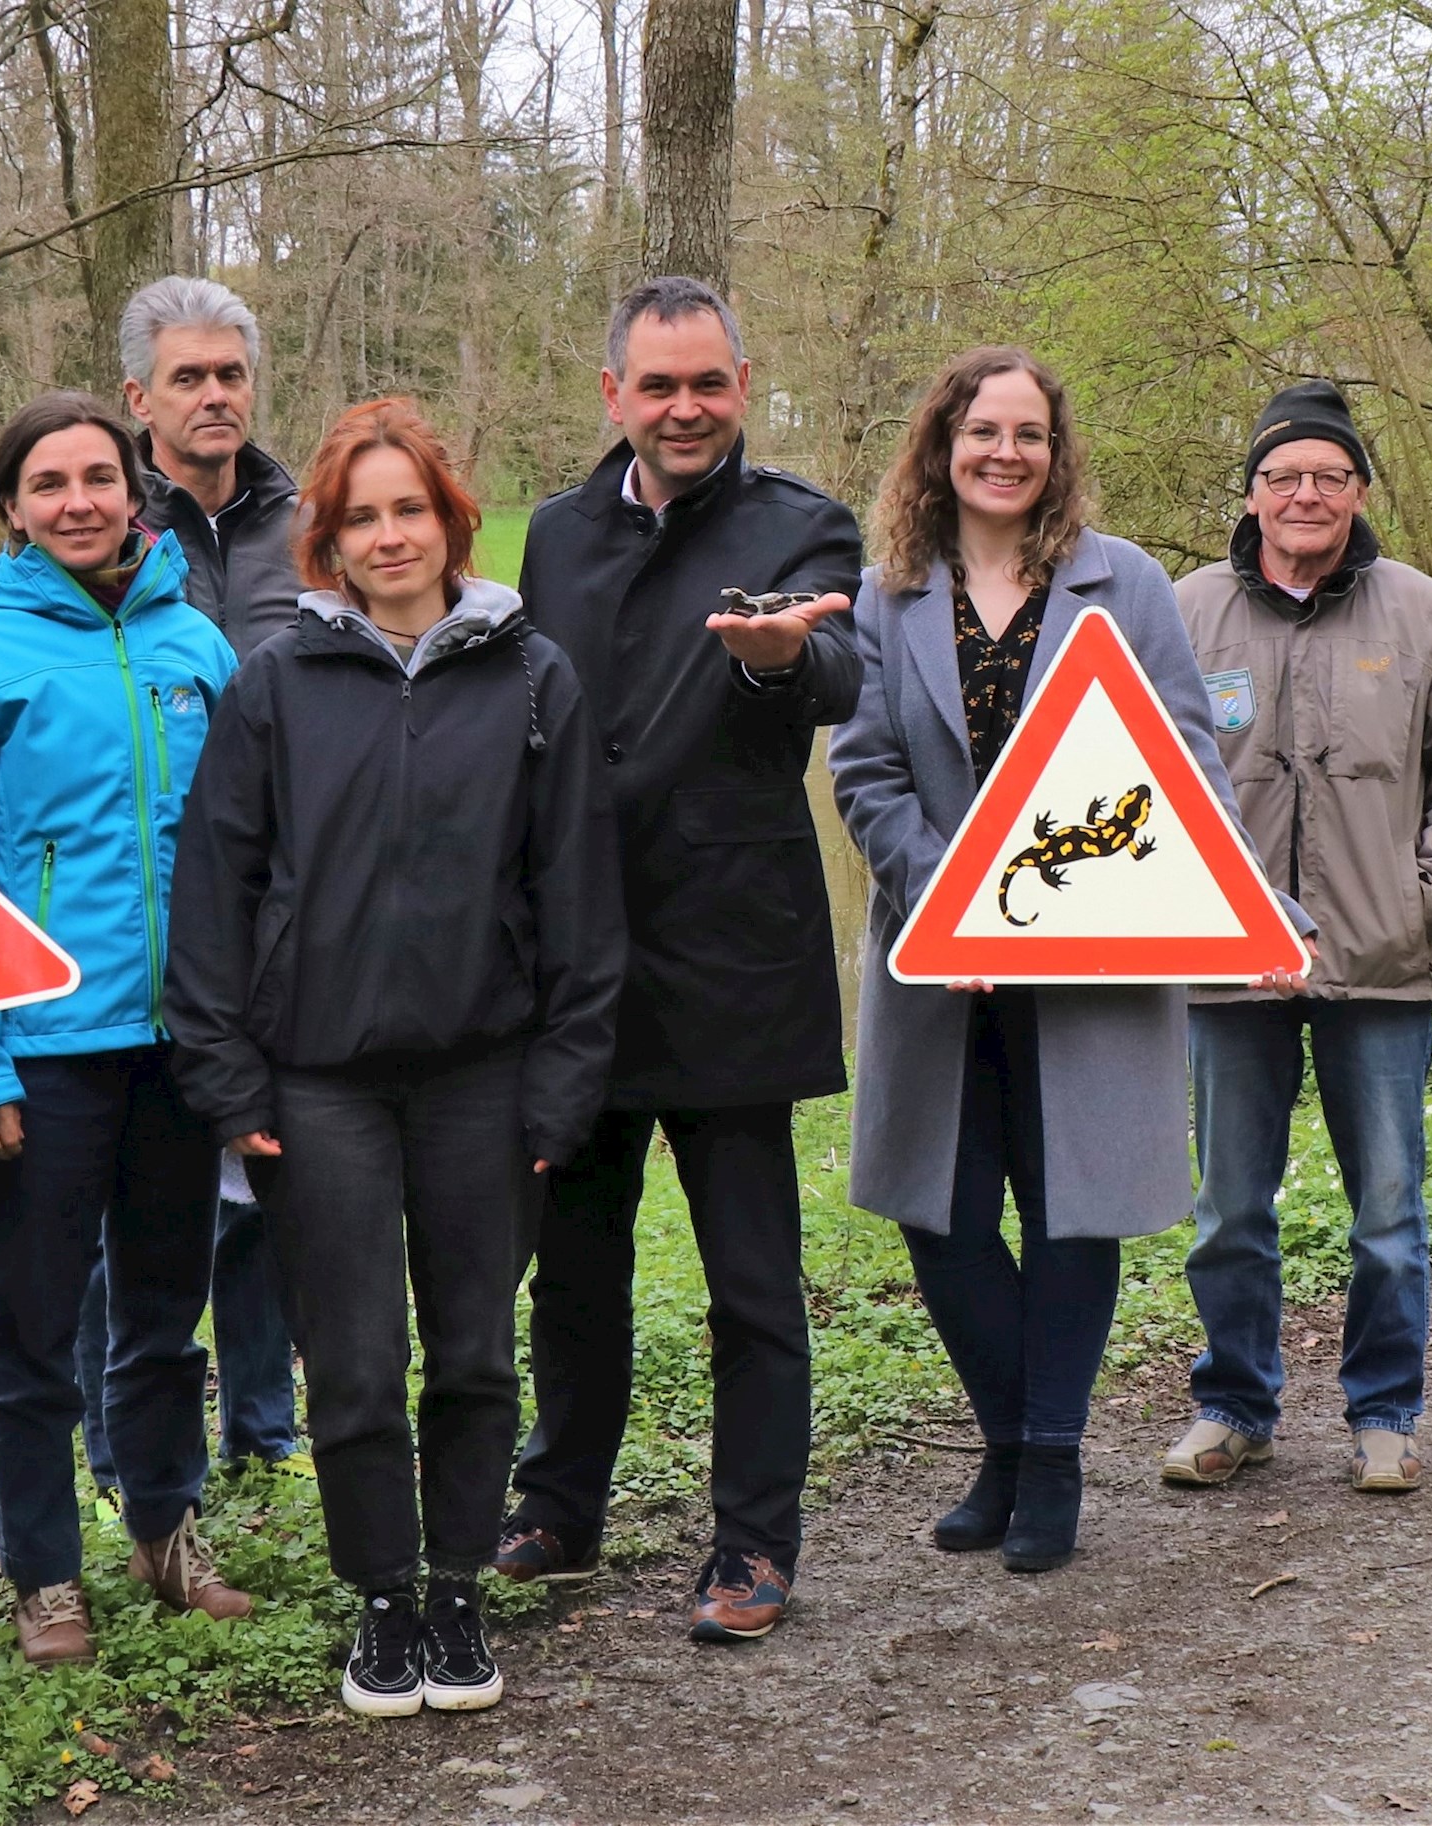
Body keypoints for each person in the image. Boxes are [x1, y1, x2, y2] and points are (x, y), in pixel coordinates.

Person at [170, 400, 620, 1717]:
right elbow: (215, 890)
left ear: (451, 520)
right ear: (327, 539)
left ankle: (461, 1589)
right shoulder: (275, 685)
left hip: (487, 1072)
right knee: (356, 1359)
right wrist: (229, 1080)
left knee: (475, 1351)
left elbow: (583, 897)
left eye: (408, 509)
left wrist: (565, 1080)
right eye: (359, 516)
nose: (387, 536)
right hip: (321, 1079)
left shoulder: (535, 677)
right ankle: (382, 1596)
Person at [829, 347, 1281, 1574]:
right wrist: (949, 897)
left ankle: (1050, 1458)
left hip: (1093, 957)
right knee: (944, 1213)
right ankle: (1007, 1442)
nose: (1005, 452)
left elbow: (1182, 760)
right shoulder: (890, 589)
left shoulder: (1120, 582)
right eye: (984, 430)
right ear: (943, 442)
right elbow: (862, 770)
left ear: (1056, 449)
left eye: (1029, 432)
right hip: (943, 963)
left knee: (1072, 1205)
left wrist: (1260, 917)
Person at [502, 275, 860, 1642]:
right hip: (580, 968)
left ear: (743, 386)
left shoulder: (802, 524)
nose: (685, 407)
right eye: (658, 386)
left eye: (708, 383)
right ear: (614, 397)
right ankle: (557, 1507)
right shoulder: (551, 538)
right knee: (573, 1266)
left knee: (752, 1281)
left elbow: (843, 677)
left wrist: (778, 663)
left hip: (731, 962)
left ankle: (756, 1543)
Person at [0, 391, 253, 1666]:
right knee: (32, 1330)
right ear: (12, 508)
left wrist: (235, 1036)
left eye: (99, 478)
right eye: (49, 483)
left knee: (164, 1312)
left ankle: (165, 1526)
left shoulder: (195, 647)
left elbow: (237, 854)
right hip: (41, 1057)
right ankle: (44, 1571)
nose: (79, 502)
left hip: (176, 1048)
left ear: (134, 488)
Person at [1165, 380, 1432, 1496]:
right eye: (1283, 475)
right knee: (1225, 1212)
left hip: (1380, 968)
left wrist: (1425, 902)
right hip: (1225, 969)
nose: (1305, 493)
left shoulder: (1422, 610)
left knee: (1390, 1216)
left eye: (1329, 475)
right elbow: (1141, 784)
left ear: (1359, 491)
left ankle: (1384, 1413)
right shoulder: (1182, 612)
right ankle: (1233, 1407)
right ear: (1252, 493)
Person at [71, 277, 305, 1494]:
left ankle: (265, 1426)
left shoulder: (300, 520)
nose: (213, 396)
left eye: (229, 374)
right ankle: (120, 1442)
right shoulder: (98, 516)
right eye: (187, 378)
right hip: (139, 895)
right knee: (137, 1186)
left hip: (283, 898)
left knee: (263, 1167)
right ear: (137, 396)